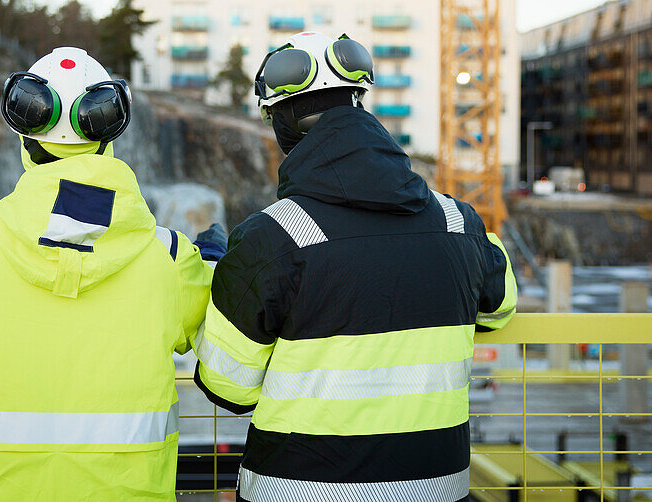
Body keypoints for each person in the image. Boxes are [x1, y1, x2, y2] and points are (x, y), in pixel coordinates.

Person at [192, 31, 517, 502]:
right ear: (360, 105)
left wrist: (229, 275)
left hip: (299, 491)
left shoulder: (271, 236)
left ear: (283, 122)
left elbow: (229, 387)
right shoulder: (457, 221)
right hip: (434, 489)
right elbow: (499, 307)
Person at [0, 47, 222, 501]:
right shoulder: (170, 259)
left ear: (26, 138)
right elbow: (215, 318)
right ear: (105, 138)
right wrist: (210, 261)